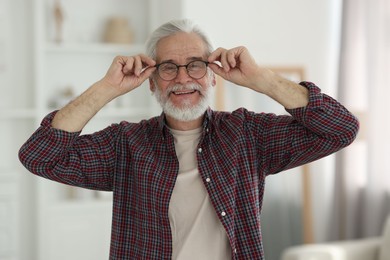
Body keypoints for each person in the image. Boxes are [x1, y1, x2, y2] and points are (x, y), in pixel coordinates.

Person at [19, 19, 359, 259]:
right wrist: (108, 88)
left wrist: (261, 78)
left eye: (195, 65)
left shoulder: (247, 135)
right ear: (151, 82)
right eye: (168, 67)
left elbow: (341, 128)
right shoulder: (125, 144)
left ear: (212, 77)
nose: (183, 78)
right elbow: (39, 156)